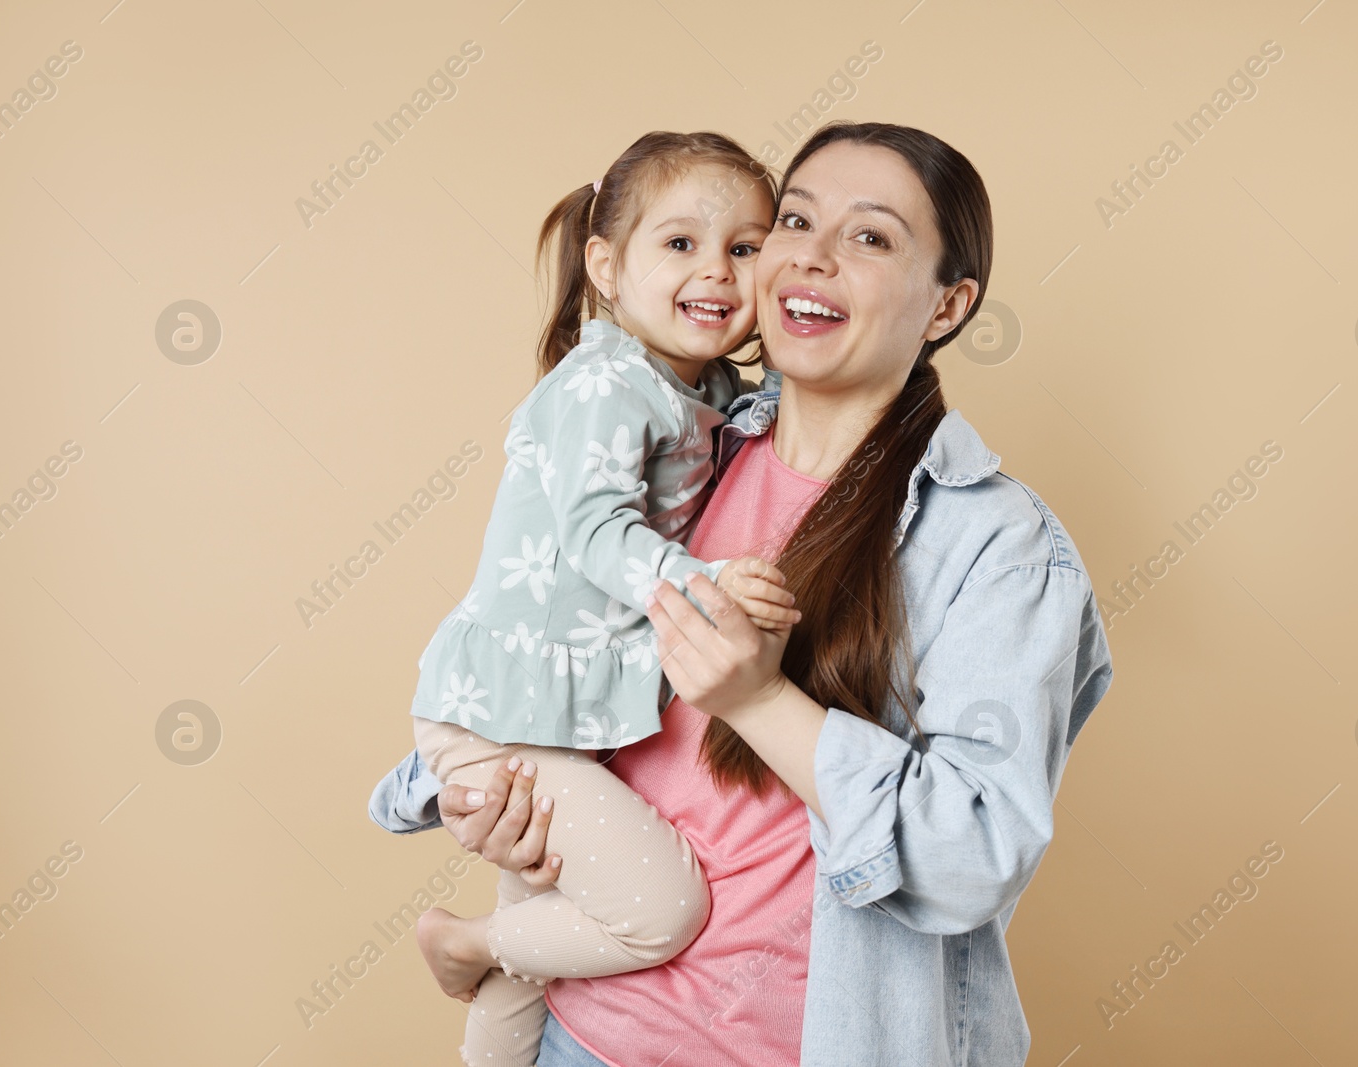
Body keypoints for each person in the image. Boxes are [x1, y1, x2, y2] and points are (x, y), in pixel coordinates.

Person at [371, 121, 1114, 1067]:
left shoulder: (996, 547)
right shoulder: (688, 451)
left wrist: (762, 701)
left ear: (948, 304)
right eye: (796, 221)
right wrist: (507, 808)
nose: (811, 255)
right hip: (580, 1035)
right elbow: (569, 663)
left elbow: (972, 854)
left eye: (871, 236)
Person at [402, 130, 802, 1067]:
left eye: (745, 249)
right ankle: (457, 943)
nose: (717, 271)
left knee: (533, 956)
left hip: (556, 715)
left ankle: (487, 1000)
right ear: (606, 267)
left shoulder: (695, 384)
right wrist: (704, 586)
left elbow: (765, 410)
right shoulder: (605, 385)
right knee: (661, 909)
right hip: (511, 716)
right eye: (681, 244)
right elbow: (593, 533)